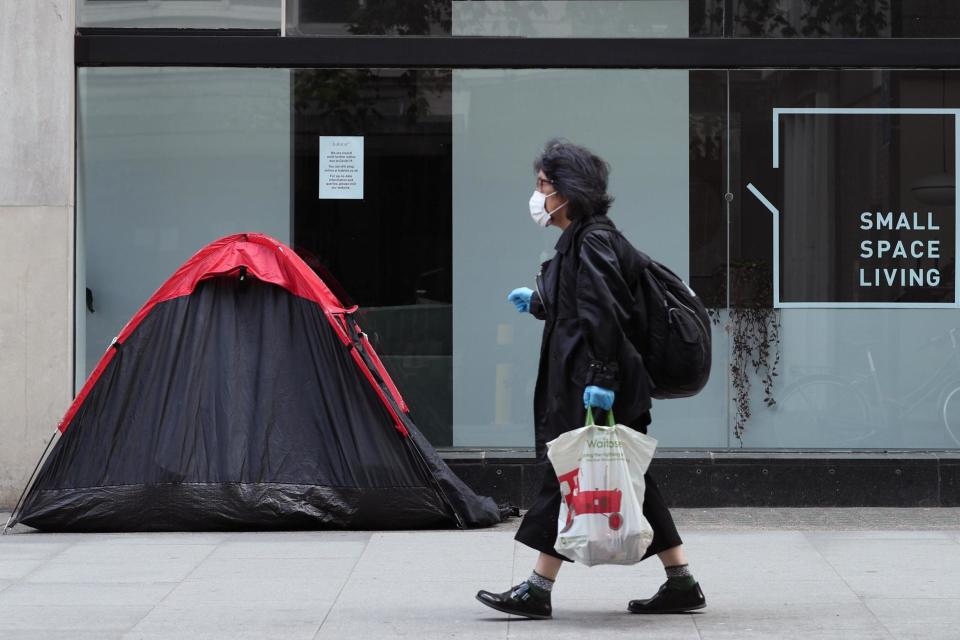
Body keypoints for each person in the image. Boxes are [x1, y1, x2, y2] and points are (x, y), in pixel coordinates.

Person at [475, 139, 706, 619]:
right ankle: (682, 583)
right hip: (595, 380)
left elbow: (606, 312)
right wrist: (539, 303)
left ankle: (537, 589)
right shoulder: (583, 238)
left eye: (543, 186)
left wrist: (600, 378)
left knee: (566, 474)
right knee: (631, 479)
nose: (537, 196)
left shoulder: (594, 240)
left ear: (568, 191)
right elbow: (585, 304)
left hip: (597, 385)